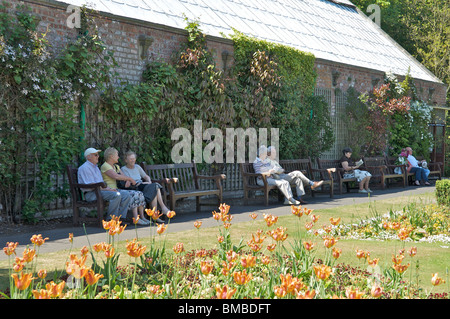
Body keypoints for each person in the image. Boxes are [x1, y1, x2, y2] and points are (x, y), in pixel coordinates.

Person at [77, 147, 132, 220]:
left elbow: (101, 183)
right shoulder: (85, 168)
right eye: (95, 155)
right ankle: (111, 219)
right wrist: (108, 189)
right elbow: (91, 185)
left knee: (126, 194)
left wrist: (109, 189)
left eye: (98, 155)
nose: (98, 156)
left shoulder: (95, 167)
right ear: (88, 157)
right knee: (116, 195)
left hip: (100, 191)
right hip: (91, 194)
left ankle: (121, 218)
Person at [100, 147, 150, 225]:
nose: (118, 157)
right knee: (132, 194)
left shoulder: (116, 166)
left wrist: (127, 180)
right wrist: (130, 179)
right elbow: (116, 176)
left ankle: (121, 218)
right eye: (117, 155)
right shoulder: (105, 166)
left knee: (136, 193)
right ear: (111, 156)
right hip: (109, 190)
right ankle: (112, 219)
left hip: (116, 189)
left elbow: (123, 176)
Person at [121, 151, 171, 221]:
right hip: (136, 187)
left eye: (134, 158)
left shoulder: (137, 167)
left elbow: (146, 176)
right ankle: (160, 210)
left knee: (155, 188)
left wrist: (148, 181)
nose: (133, 160)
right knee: (155, 187)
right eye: (130, 159)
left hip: (143, 185)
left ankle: (155, 214)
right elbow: (129, 181)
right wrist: (143, 184)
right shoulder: (123, 169)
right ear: (126, 160)